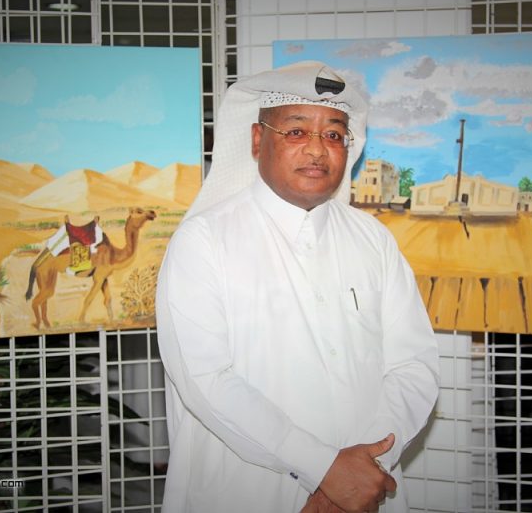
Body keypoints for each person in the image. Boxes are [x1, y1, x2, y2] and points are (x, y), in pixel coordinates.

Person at [156, 61, 439, 513]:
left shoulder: (373, 240)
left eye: (334, 134)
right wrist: (326, 470)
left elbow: (414, 366)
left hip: (364, 490)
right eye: (296, 131)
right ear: (257, 139)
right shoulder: (204, 241)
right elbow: (206, 379)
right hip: (245, 494)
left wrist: (363, 469)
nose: (317, 149)